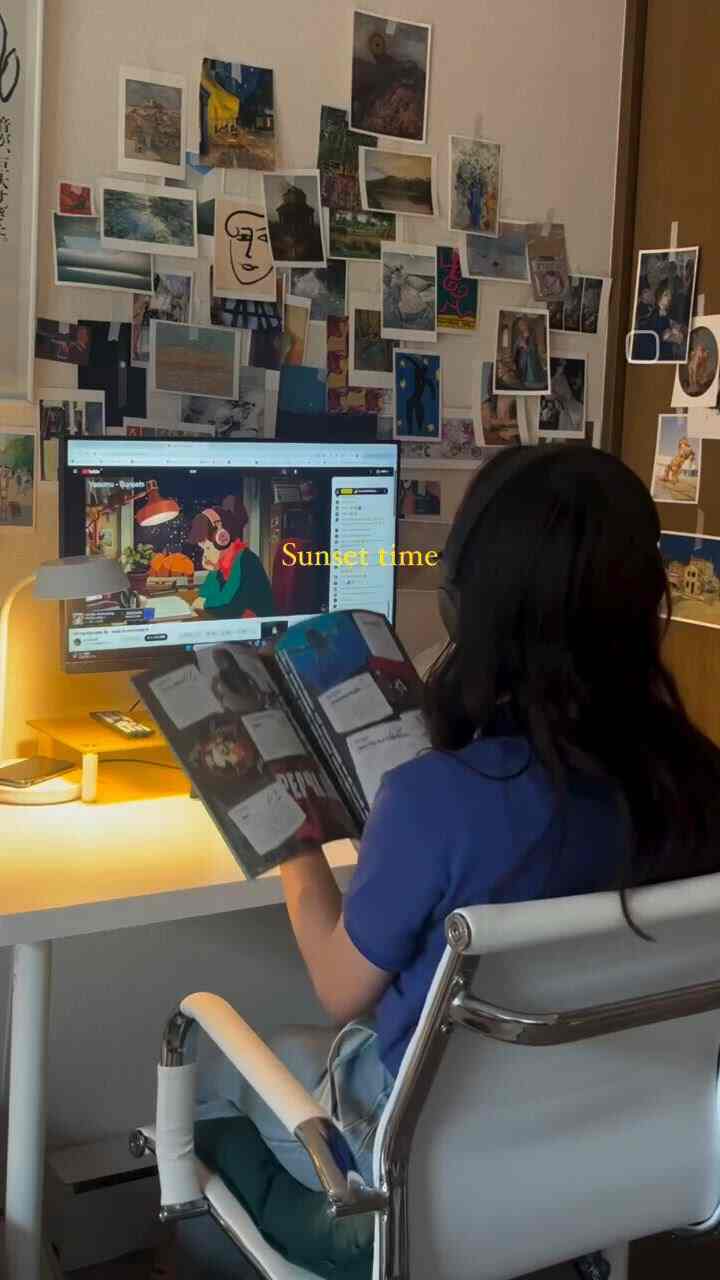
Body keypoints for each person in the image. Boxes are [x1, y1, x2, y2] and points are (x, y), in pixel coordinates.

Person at [196, 446, 720, 1278]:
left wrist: (296, 839)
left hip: (417, 1176)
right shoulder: (696, 783)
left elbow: (339, 986)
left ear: (468, 605)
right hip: (605, 1151)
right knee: (304, 1052)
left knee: (214, 1080)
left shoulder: (433, 801)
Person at [188, 495, 275, 618]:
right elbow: (205, 593)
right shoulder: (222, 563)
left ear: (222, 539)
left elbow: (231, 608)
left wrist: (204, 603)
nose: (205, 555)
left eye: (207, 548)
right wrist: (204, 598)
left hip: (256, 625)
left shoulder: (246, 561)